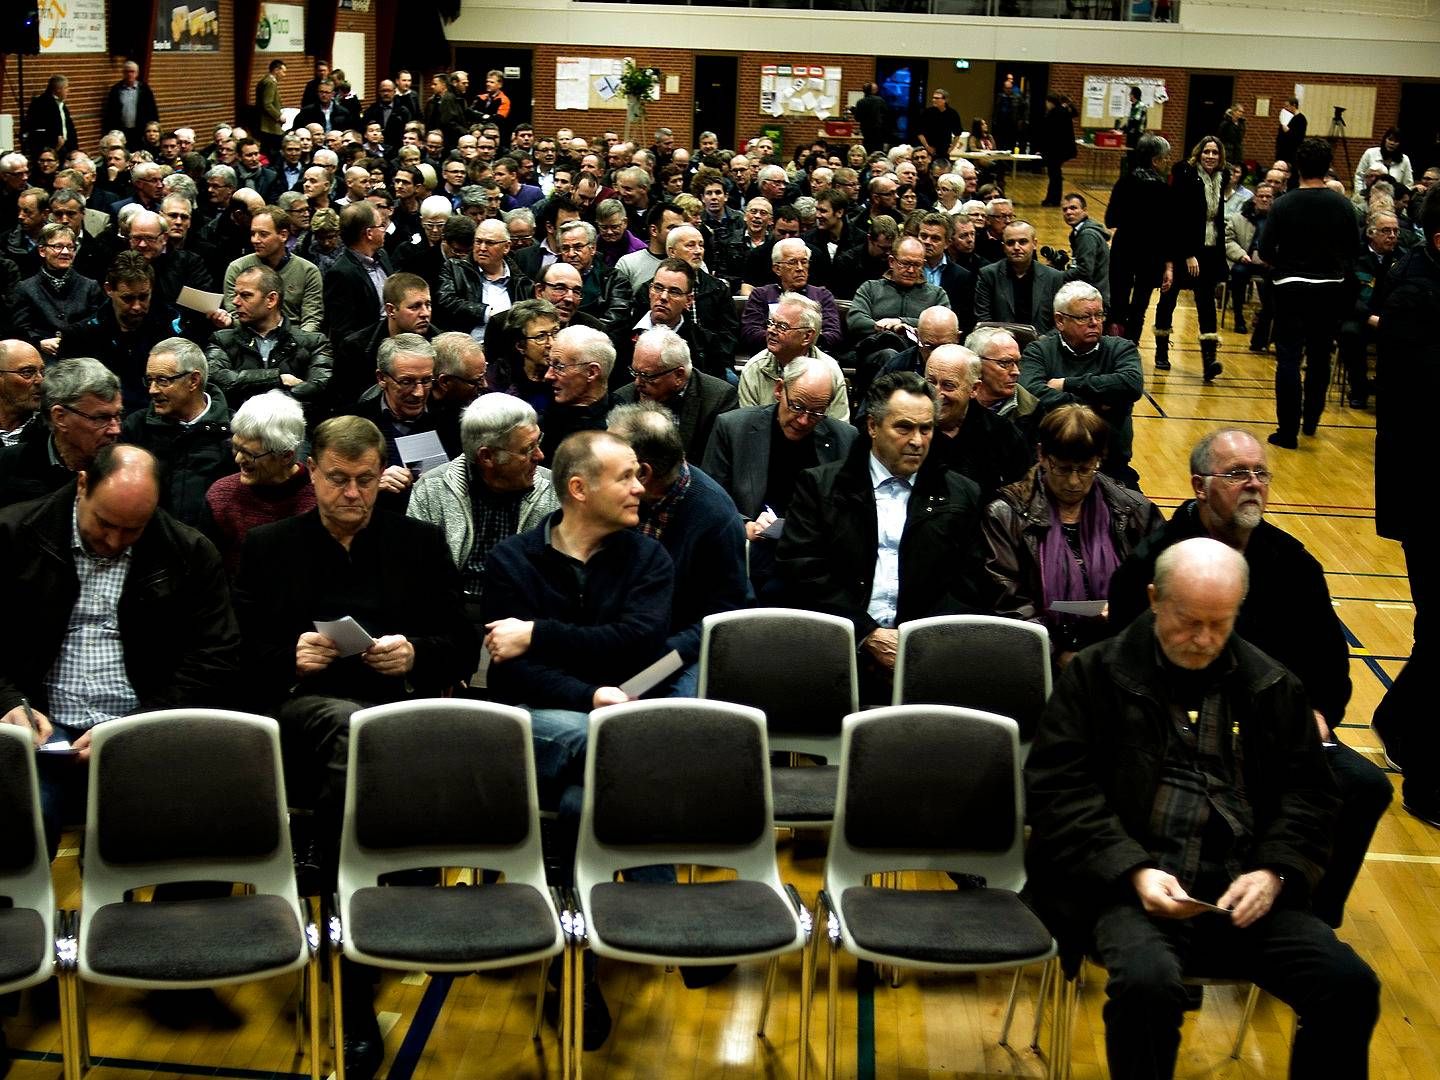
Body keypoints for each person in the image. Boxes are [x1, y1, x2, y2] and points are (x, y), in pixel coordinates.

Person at [1025, 536, 1379, 1080]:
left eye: (1220, 623)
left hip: (1242, 887)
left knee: (1349, 986)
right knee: (1147, 986)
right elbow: (1060, 792)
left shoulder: (1271, 685)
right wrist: (1133, 870)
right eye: (1189, 621)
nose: (1204, 638)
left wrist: (1276, 870)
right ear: (1153, 600)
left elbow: (1310, 796)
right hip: (1127, 888)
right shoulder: (1095, 676)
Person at [233, 415, 474, 1079]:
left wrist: (415, 654)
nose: (354, 493)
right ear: (310, 472)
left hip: (398, 704)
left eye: (367, 480)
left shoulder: (418, 543)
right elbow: (237, 657)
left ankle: (352, 921)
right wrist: (291, 657)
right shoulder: (270, 546)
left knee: (383, 730)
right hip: (309, 711)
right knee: (349, 727)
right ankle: (355, 930)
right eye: (339, 479)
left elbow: (462, 640)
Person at [1106, 428, 1392, 928]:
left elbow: (1329, 664)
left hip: (1275, 733)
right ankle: (1177, 926)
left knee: (1364, 785)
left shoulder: (1292, 562)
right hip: (1179, 733)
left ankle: (1307, 918)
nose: (1254, 484)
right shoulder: (1153, 563)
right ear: (1199, 485)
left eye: (1261, 473)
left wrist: (1321, 715)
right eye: (1238, 474)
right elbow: (1123, 669)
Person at [0, 443, 240, 857]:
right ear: (82, 486)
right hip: (40, 723)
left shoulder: (189, 552)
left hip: (143, 718)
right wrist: (8, 700)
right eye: (105, 523)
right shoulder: (13, 534)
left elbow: (215, 656)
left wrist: (140, 723)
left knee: (211, 819)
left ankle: (158, 921)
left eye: (133, 529)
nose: (114, 540)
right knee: (20, 820)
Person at [776, 371, 990, 702]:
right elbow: (802, 571)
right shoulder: (820, 487)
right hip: (837, 647)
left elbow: (970, 583)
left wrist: (916, 642)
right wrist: (866, 634)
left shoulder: (963, 495)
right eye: (904, 428)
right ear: (873, 426)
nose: (917, 441)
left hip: (929, 655)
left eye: (926, 429)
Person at [985, 404, 1163, 667]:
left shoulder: (1133, 509)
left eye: (1085, 469)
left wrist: (1126, 611)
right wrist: (1056, 654)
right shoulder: (1006, 514)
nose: (1074, 482)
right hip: (1040, 658)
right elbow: (1007, 600)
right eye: (1063, 468)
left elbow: (1161, 583)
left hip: (1122, 653)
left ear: (1099, 460)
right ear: (1042, 455)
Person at [1371, 192, 1440, 827]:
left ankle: (1397, 717)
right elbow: (1417, 397)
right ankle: (1427, 771)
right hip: (1427, 489)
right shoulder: (1413, 294)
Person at [606, 402, 750, 692]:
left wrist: (650, 665)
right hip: (615, 635)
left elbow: (721, 617)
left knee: (675, 717)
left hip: (678, 650)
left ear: (642, 474)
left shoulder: (715, 516)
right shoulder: (611, 493)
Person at [407, 393, 556, 609]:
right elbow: (415, 572)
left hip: (525, 614)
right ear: (487, 457)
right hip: (450, 611)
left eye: (538, 442)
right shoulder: (432, 489)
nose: (540, 456)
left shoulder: (554, 490)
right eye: (527, 449)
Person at [1258, 138, 1357, 448]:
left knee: (1288, 356)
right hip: (1329, 288)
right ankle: (1311, 421)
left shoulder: (1284, 203)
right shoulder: (1343, 204)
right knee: (1319, 355)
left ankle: (1287, 432)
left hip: (1290, 287)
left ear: (1297, 167)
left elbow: (1264, 249)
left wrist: (1284, 265)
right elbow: (1354, 249)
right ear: (1327, 167)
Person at [1020, 282, 1144, 485]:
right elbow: (1031, 393)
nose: (1095, 322)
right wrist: (1098, 404)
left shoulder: (1120, 348)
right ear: (1060, 320)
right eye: (1084, 317)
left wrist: (1067, 383)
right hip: (1051, 467)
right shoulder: (1039, 351)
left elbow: (1131, 383)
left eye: (1099, 315)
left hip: (1110, 465)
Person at [199, 390, 317, 578]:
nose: (238, 459)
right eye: (236, 447)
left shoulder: (320, 498)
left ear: (286, 455)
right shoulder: (221, 497)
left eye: (250, 454)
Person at [120, 337, 235, 527]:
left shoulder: (233, 432)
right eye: (149, 380)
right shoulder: (135, 428)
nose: (152, 390)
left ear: (193, 380)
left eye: (162, 380)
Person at [207, 265, 333, 419]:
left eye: (245, 295)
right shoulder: (222, 340)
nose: (235, 302)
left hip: (295, 430)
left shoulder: (314, 343)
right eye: (235, 295)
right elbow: (219, 380)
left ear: (271, 299)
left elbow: (319, 389)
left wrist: (250, 384)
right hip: (238, 429)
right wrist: (278, 378)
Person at [1152, 136, 1230, 381]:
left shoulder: (1221, 178)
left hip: (1209, 250)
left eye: (1215, 153)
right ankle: (1161, 352)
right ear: (1199, 153)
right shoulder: (1184, 173)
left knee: (1207, 303)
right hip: (1181, 248)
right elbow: (1177, 217)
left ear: (1220, 157)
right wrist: (1187, 254)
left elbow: (1217, 218)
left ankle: (1209, 361)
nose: (1210, 156)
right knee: (1169, 299)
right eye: (1206, 152)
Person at [0, 358, 121, 508]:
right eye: (101, 418)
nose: (115, 429)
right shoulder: (7, 467)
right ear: (60, 417)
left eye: (117, 416)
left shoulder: (129, 470)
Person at [922, 343, 1031, 501]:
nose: (937, 394)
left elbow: (1020, 499)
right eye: (931, 382)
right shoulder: (910, 431)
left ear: (974, 389)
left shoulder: (1004, 435)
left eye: (948, 386)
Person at [611, 327, 736, 463]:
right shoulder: (622, 399)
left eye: (647, 376)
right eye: (635, 372)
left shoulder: (718, 399)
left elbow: (716, 467)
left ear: (679, 375)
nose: (637, 382)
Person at [737, 291, 850, 420]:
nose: (771, 330)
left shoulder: (830, 372)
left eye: (782, 326)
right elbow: (747, 429)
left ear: (807, 336)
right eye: (771, 323)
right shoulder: (754, 369)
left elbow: (839, 430)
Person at [1105, 134, 1171, 345]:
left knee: (1118, 305)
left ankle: (1113, 349)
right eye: (1165, 157)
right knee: (1139, 306)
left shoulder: (1123, 182)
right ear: (1155, 160)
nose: (1167, 161)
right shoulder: (1162, 189)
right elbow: (1166, 230)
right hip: (1150, 255)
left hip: (1123, 249)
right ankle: (1130, 351)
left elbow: (1110, 220)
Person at [540, 324, 616, 461]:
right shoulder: (540, 423)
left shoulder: (621, 429)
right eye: (550, 364)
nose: (548, 375)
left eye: (558, 366)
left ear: (591, 372)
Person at [974, 220, 1065, 327]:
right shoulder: (988, 275)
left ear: (1034, 244)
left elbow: (1060, 322)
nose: (1016, 247)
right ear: (1003, 247)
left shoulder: (1054, 277)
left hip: (1043, 341)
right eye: (1010, 243)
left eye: (1023, 242)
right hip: (1001, 340)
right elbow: (983, 319)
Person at [1038, 92, 1078, 207]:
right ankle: (1053, 198)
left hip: (1056, 150)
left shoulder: (1055, 113)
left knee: (1054, 175)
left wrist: (1043, 149)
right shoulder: (1064, 111)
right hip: (1062, 149)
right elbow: (1075, 113)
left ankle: (1053, 199)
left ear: (1050, 102)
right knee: (1055, 174)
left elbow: (1050, 134)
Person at [255, 61, 288, 161]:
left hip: (266, 124)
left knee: (266, 149)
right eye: (283, 72)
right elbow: (267, 104)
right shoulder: (270, 82)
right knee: (273, 151)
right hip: (269, 125)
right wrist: (279, 116)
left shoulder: (265, 80)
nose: (284, 75)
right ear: (276, 70)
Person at [1117, 85, 1148, 174]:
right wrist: (1120, 130)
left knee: (1134, 160)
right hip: (1131, 136)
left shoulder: (1140, 106)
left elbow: (1135, 121)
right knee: (1130, 159)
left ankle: (1134, 179)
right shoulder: (1134, 106)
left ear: (1133, 95)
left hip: (1137, 137)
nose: (1129, 96)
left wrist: (1122, 131)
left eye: (1130, 94)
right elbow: (1130, 121)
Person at [851, 82, 891, 152]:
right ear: (872, 90)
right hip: (879, 131)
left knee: (867, 150)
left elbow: (857, 118)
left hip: (866, 131)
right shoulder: (880, 100)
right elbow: (887, 115)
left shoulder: (860, 102)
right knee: (878, 150)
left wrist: (854, 110)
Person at [1275, 96, 1307, 167]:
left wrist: (1287, 130)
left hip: (1292, 152)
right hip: (1282, 151)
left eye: (1287, 106)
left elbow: (1299, 137)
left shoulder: (1301, 119)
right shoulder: (1286, 117)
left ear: (1294, 105)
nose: (1285, 109)